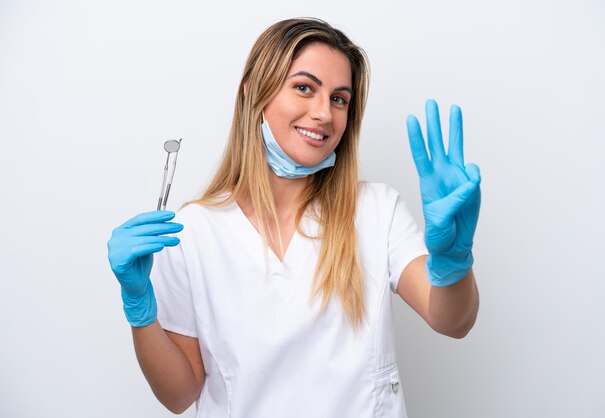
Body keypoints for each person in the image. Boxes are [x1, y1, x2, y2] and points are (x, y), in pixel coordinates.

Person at [107, 17, 481, 418]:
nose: (324, 113)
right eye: (304, 88)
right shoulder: (194, 229)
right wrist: (139, 307)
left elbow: (452, 320)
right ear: (254, 91)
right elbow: (179, 396)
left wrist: (454, 263)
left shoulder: (376, 210)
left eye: (339, 99)